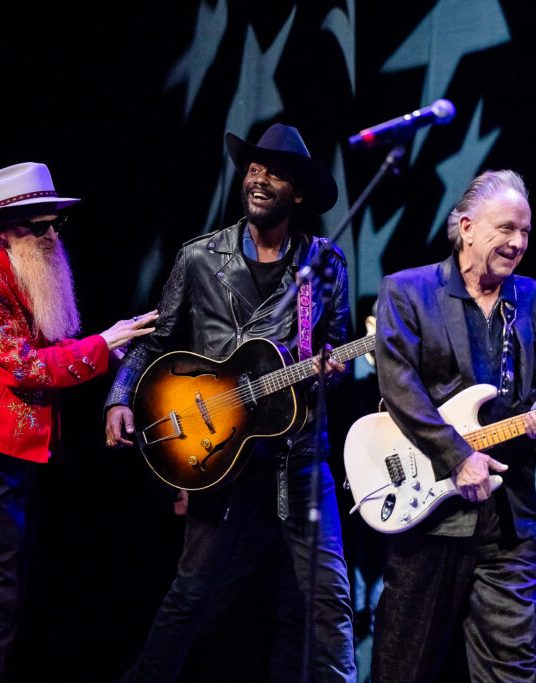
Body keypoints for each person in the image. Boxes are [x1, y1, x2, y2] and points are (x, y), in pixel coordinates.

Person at [105, 124, 356, 682]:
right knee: (193, 592)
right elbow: (156, 341)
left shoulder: (324, 264)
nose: (259, 180)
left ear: (298, 193)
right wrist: (119, 397)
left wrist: (332, 371)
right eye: (254, 168)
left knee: (328, 596)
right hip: (218, 443)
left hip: (297, 452)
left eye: (276, 173)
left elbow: (332, 352)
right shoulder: (199, 257)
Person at [0, 162, 158, 683]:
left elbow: (51, 347)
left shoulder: (24, 274)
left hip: (17, 453)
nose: (52, 236)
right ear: (5, 231)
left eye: (56, 224)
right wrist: (103, 343)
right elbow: (27, 366)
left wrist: (112, 353)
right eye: (39, 226)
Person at [371, 169, 536, 681]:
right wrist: (458, 457)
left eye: (525, 232)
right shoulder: (407, 291)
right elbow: (399, 388)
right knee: (403, 667)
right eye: (506, 228)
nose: (518, 242)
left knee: (512, 669)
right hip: (429, 513)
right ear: (466, 228)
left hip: (510, 518)